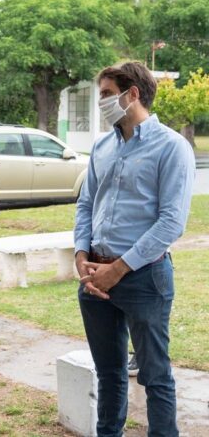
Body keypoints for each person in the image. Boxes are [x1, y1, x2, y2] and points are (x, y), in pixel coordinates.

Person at [74, 61, 194, 437]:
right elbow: (86, 203)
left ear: (133, 94)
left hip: (144, 278)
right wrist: (81, 255)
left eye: (108, 94)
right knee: (109, 373)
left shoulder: (172, 147)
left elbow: (171, 221)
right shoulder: (102, 146)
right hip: (95, 277)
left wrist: (120, 268)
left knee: (155, 374)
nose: (102, 102)